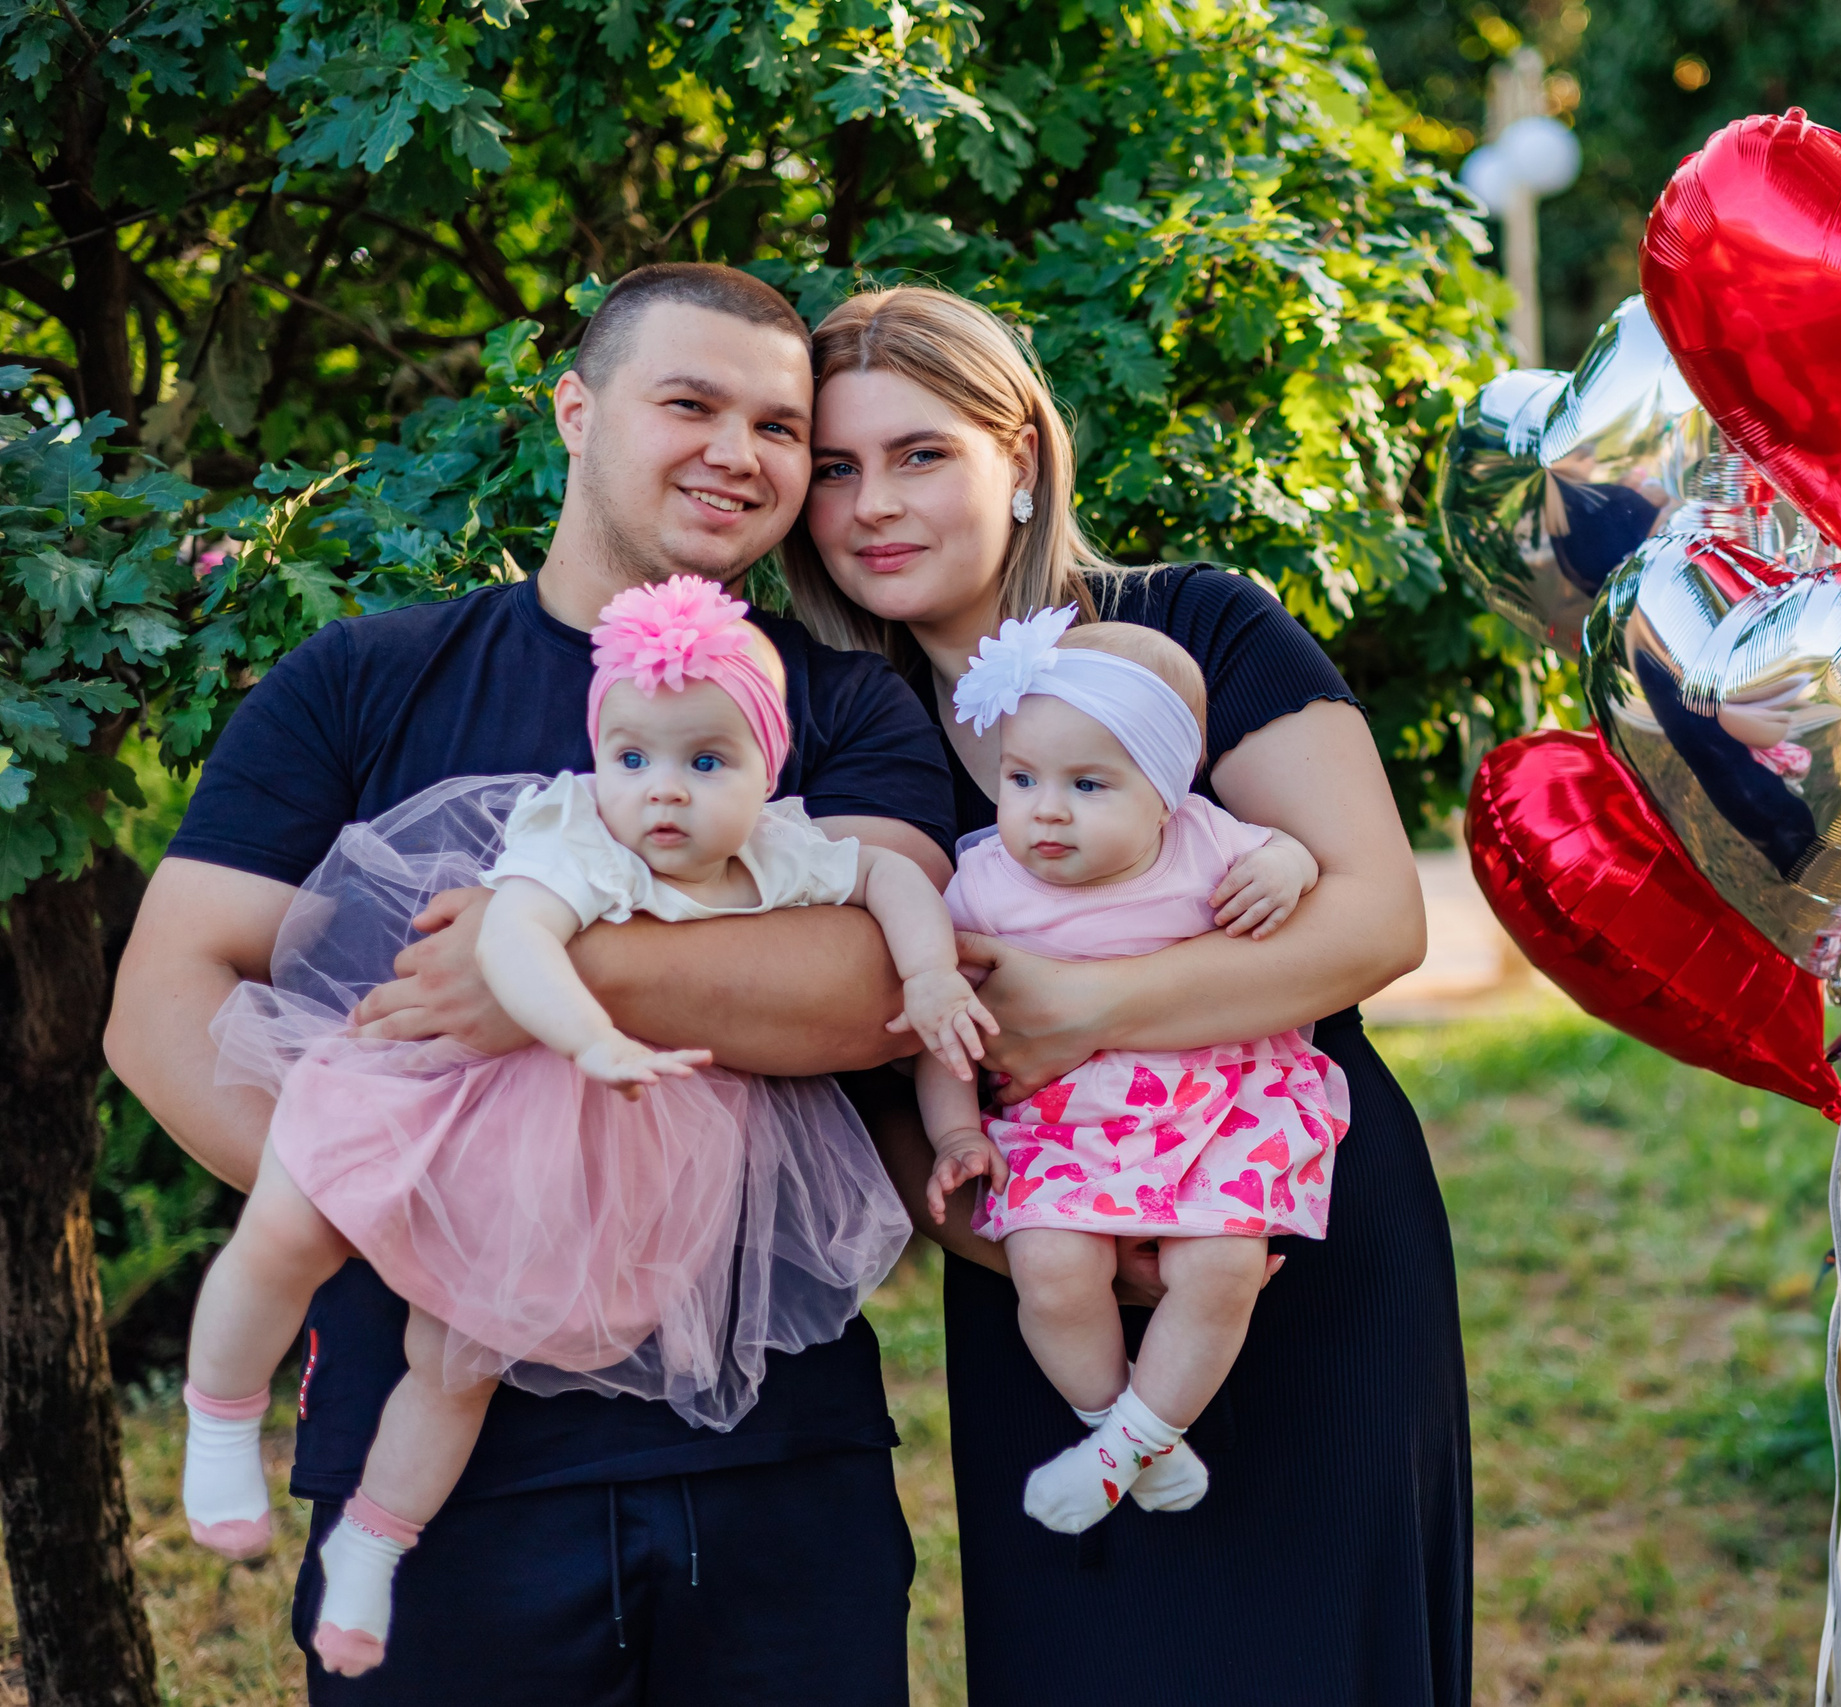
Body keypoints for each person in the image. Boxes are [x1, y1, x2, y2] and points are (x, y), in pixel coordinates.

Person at [106, 264, 950, 1704]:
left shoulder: (837, 699)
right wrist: (427, 1217)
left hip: (769, 1453)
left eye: (777, 425)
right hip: (438, 1459)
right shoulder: (366, 679)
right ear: (575, 408)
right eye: (689, 402)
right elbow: (162, 1002)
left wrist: (561, 969)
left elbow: (870, 986)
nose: (737, 452)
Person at [781, 284, 1471, 1704]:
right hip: (1051, 1268)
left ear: (1021, 456)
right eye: (836, 469)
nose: (872, 505)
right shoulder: (841, 727)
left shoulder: (1198, 628)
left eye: (921, 453)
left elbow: (1376, 915)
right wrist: (1016, 1236)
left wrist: (1083, 1010)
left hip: (1285, 1231)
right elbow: (864, 1055)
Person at [178, 577, 988, 1676]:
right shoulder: (579, 835)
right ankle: (220, 1415)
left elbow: (888, 876)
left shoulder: (778, 852)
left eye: (708, 764)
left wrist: (932, 973)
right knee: (283, 1228)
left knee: (455, 1367)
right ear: (599, 758)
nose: (664, 793)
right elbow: (511, 947)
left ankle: (375, 1545)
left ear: (765, 769)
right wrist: (593, 1031)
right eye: (633, 758)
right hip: (453, 1104)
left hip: (584, 1168)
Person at [917, 613, 1343, 1535]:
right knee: (1051, 1267)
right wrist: (956, 1131)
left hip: (1219, 1102)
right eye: (1021, 779)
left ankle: (1131, 1441)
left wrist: (1290, 862)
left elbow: (1295, 856)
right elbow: (942, 1029)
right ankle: (1119, 1431)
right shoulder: (982, 884)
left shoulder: (1207, 840)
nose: (1047, 810)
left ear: (1166, 788)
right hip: (1063, 1119)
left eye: (1088, 783)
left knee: (1225, 1262)